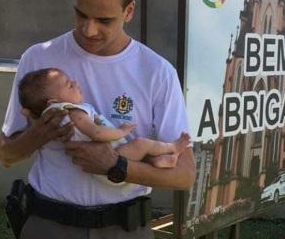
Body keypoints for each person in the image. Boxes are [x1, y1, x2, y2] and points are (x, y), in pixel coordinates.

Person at [0, 0, 195, 239]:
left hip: (123, 234)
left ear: (129, 10)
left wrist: (116, 166)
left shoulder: (156, 72)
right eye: (80, 14)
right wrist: (40, 133)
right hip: (51, 232)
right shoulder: (40, 60)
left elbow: (185, 174)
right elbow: (5, 154)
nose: (88, 30)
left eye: (104, 19)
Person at [18, 66, 190, 168]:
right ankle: (172, 147)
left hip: (109, 158)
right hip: (111, 157)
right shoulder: (72, 112)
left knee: (139, 150)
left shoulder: (52, 117)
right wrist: (121, 132)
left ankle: (158, 160)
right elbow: (97, 133)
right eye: (70, 85)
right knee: (140, 143)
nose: (76, 84)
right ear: (54, 102)